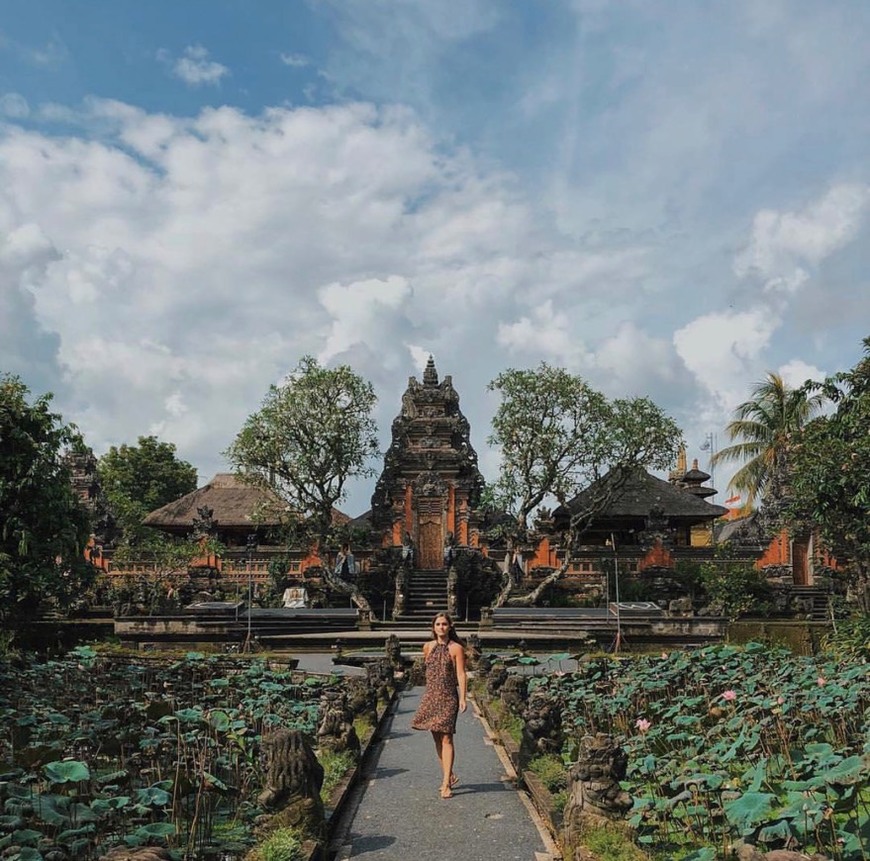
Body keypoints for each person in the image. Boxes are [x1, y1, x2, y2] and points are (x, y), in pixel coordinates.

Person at [410, 612, 467, 798]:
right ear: (433, 627)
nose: (441, 627)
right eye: (438, 624)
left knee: (447, 739)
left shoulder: (456, 648)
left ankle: (445, 784)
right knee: (436, 738)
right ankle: (449, 775)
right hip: (431, 696)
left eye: (444, 624)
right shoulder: (427, 647)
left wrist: (463, 698)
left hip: (448, 697)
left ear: (450, 626)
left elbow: (461, 674)